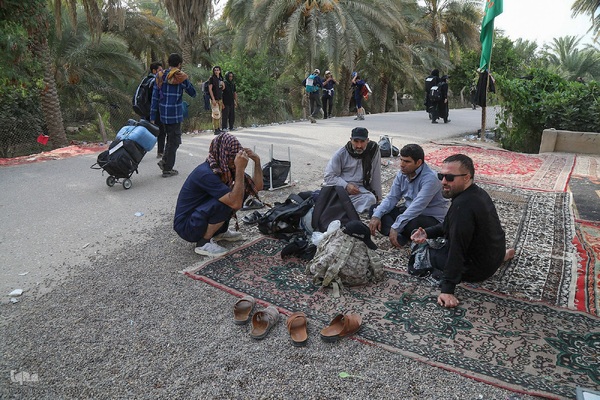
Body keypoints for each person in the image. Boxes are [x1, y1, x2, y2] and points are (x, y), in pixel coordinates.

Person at [410, 154, 515, 308]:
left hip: (475, 270)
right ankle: (502, 256)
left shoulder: (462, 206)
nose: (443, 182)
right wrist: (427, 233)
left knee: (421, 252)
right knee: (434, 238)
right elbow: (449, 225)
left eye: (449, 177)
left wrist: (447, 289)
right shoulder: (477, 193)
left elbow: (457, 247)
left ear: (466, 177)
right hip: (493, 258)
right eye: (441, 176)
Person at [173, 133, 264, 257]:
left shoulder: (224, 169)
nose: (235, 161)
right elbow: (235, 203)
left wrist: (257, 160)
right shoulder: (206, 173)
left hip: (198, 217)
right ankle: (203, 243)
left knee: (240, 190)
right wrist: (240, 169)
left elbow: (257, 187)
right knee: (230, 200)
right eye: (232, 157)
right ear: (223, 154)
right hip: (187, 226)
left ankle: (219, 232)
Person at [369, 144, 448, 248]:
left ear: (418, 162)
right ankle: (399, 236)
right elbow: (392, 197)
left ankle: (397, 232)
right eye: (401, 160)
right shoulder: (402, 173)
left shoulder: (431, 179)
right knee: (375, 209)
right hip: (407, 211)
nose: (402, 164)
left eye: (407, 161)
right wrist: (377, 216)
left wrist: (396, 226)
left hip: (429, 217)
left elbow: (418, 206)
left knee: (412, 224)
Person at [150, 53, 196, 178]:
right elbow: (193, 92)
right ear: (179, 64)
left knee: (170, 139)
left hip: (163, 114)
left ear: (168, 63)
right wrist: (186, 80)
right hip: (175, 114)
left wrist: (152, 116)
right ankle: (167, 168)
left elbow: (155, 97)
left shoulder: (160, 76)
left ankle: (164, 161)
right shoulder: (180, 77)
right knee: (174, 141)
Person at [323, 127, 381, 213]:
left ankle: (337, 206)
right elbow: (329, 176)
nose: (359, 146)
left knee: (371, 199)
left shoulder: (372, 150)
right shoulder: (341, 154)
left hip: (359, 190)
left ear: (367, 141)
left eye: (362, 141)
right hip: (341, 189)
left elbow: (376, 174)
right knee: (331, 196)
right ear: (351, 140)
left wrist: (378, 197)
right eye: (356, 141)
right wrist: (346, 186)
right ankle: (338, 204)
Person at [145, 62, 166, 159]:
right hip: (156, 109)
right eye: (159, 70)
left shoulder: (146, 80)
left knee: (146, 132)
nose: (161, 71)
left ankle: (138, 151)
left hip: (146, 109)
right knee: (161, 131)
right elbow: (155, 97)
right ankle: (160, 151)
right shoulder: (155, 80)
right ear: (154, 71)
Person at [208, 65, 225, 135]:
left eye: (217, 70)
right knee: (215, 114)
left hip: (220, 98)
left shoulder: (221, 78)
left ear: (220, 71)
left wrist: (223, 84)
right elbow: (210, 89)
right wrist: (213, 99)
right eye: (215, 70)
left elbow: (222, 88)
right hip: (214, 99)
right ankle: (215, 129)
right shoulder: (212, 78)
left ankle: (218, 128)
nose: (216, 71)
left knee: (219, 114)